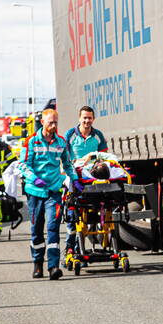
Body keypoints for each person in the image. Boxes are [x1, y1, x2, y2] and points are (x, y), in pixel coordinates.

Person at [17, 108, 76, 280]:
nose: (54, 125)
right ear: (42, 122)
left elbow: (67, 164)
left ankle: (53, 267)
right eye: (51, 122)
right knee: (36, 229)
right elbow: (22, 165)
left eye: (56, 122)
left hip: (54, 192)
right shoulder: (31, 142)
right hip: (35, 192)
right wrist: (34, 179)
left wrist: (75, 179)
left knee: (53, 228)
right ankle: (37, 264)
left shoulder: (61, 142)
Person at [63, 106, 108, 259]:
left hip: (92, 173)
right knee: (73, 215)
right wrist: (76, 163)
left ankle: (99, 228)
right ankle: (70, 248)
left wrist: (92, 157)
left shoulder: (98, 135)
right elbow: (65, 157)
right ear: (79, 118)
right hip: (74, 173)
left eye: (89, 118)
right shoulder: (70, 135)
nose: (87, 121)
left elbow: (104, 155)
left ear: (93, 119)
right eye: (84, 118)